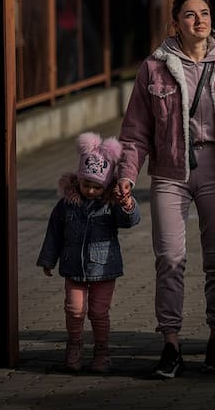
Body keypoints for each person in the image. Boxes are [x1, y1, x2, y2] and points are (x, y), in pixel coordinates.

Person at [116, 0, 215, 379]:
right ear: (175, 23)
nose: (200, 20)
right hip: (170, 171)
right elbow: (135, 132)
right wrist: (127, 175)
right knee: (169, 259)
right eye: (191, 15)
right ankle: (171, 344)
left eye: (206, 13)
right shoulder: (154, 68)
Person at [37, 132, 141, 374]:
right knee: (74, 310)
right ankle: (74, 346)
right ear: (78, 180)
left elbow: (130, 221)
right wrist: (48, 259)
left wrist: (127, 204)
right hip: (73, 268)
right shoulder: (66, 205)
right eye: (86, 185)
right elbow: (54, 232)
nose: (91, 191)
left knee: (98, 312)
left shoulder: (110, 204)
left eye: (97, 187)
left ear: (106, 185)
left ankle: (102, 352)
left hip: (104, 268)